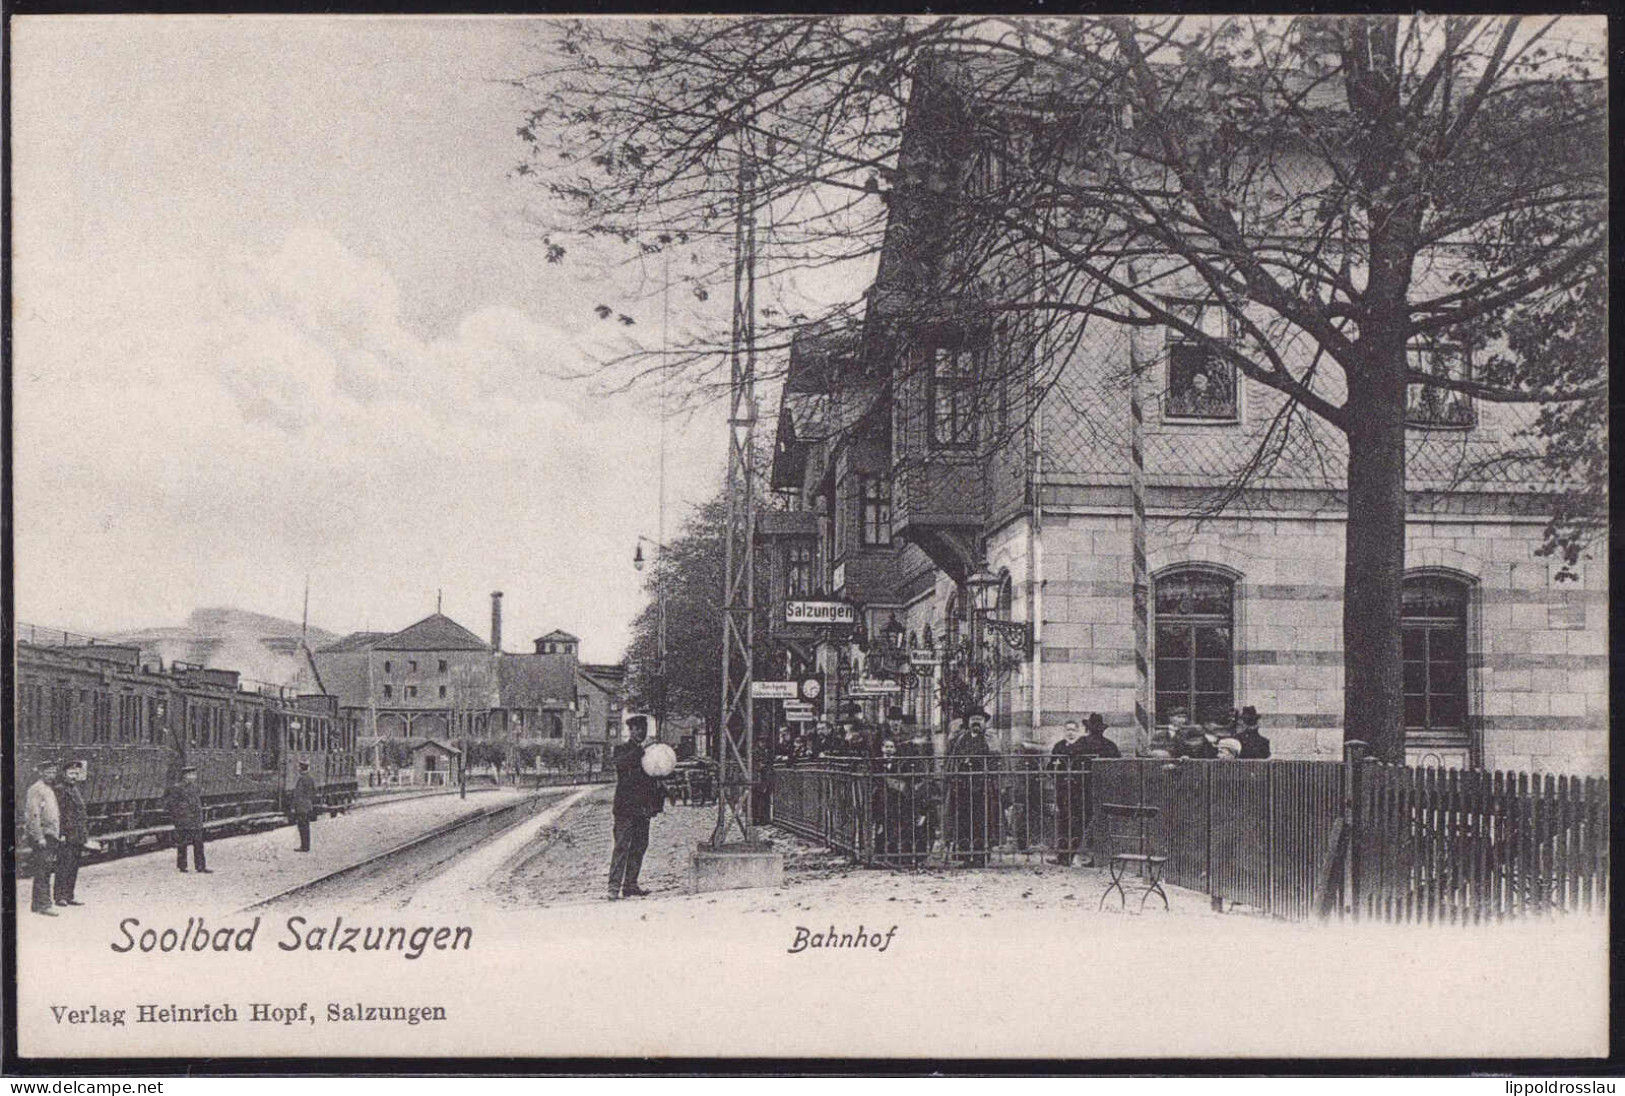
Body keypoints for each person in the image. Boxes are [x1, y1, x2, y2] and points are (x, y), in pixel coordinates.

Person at [607, 715, 663, 900]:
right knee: (622, 846)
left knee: (639, 846)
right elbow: (621, 764)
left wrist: (656, 804)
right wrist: (641, 750)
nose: (641, 732)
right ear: (630, 731)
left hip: (642, 808)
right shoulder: (622, 750)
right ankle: (613, 887)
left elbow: (654, 779)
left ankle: (630, 884)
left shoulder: (650, 753)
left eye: (643, 729)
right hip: (625, 808)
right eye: (637, 729)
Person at [944, 710, 999, 867]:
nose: (976, 722)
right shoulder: (961, 738)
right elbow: (951, 755)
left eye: (979, 719)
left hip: (982, 786)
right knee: (963, 820)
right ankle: (966, 856)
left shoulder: (989, 739)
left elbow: (996, 758)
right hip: (962, 785)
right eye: (973, 719)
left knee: (982, 820)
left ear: (984, 722)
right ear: (967, 722)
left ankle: (981, 856)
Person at [23, 760, 61, 916]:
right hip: (43, 836)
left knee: (45, 870)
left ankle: (37, 905)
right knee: (43, 871)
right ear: (41, 773)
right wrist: (39, 837)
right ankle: (44, 904)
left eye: (53, 772)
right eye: (48, 772)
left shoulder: (48, 789)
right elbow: (33, 815)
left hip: (50, 835)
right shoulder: (36, 789)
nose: (51, 775)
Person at [53, 760, 91, 907]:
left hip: (77, 835)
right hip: (67, 835)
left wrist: (84, 834)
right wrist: (61, 833)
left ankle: (69, 895)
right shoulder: (61, 789)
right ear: (64, 774)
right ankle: (59, 896)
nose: (73, 776)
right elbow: (59, 814)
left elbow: (80, 813)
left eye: (76, 773)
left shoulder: (74, 788)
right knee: (63, 865)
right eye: (71, 773)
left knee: (73, 866)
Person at [167, 766, 211, 873]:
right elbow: (172, 804)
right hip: (184, 820)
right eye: (190, 775)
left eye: (194, 775)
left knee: (199, 844)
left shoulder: (195, 788)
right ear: (185, 776)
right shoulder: (178, 788)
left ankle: (200, 866)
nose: (193, 777)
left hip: (195, 820)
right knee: (182, 844)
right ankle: (182, 866)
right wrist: (179, 816)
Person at [289, 760, 318, 852]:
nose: (298, 769)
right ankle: (306, 846)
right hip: (307, 805)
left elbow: (298, 794)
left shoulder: (302, 779)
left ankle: (304, 846)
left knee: (302, 827)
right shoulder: (310, 778)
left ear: (301, 768)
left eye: (299, 767)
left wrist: (294, 807)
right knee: (306, 826)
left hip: (301, 807)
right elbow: (313, 792)